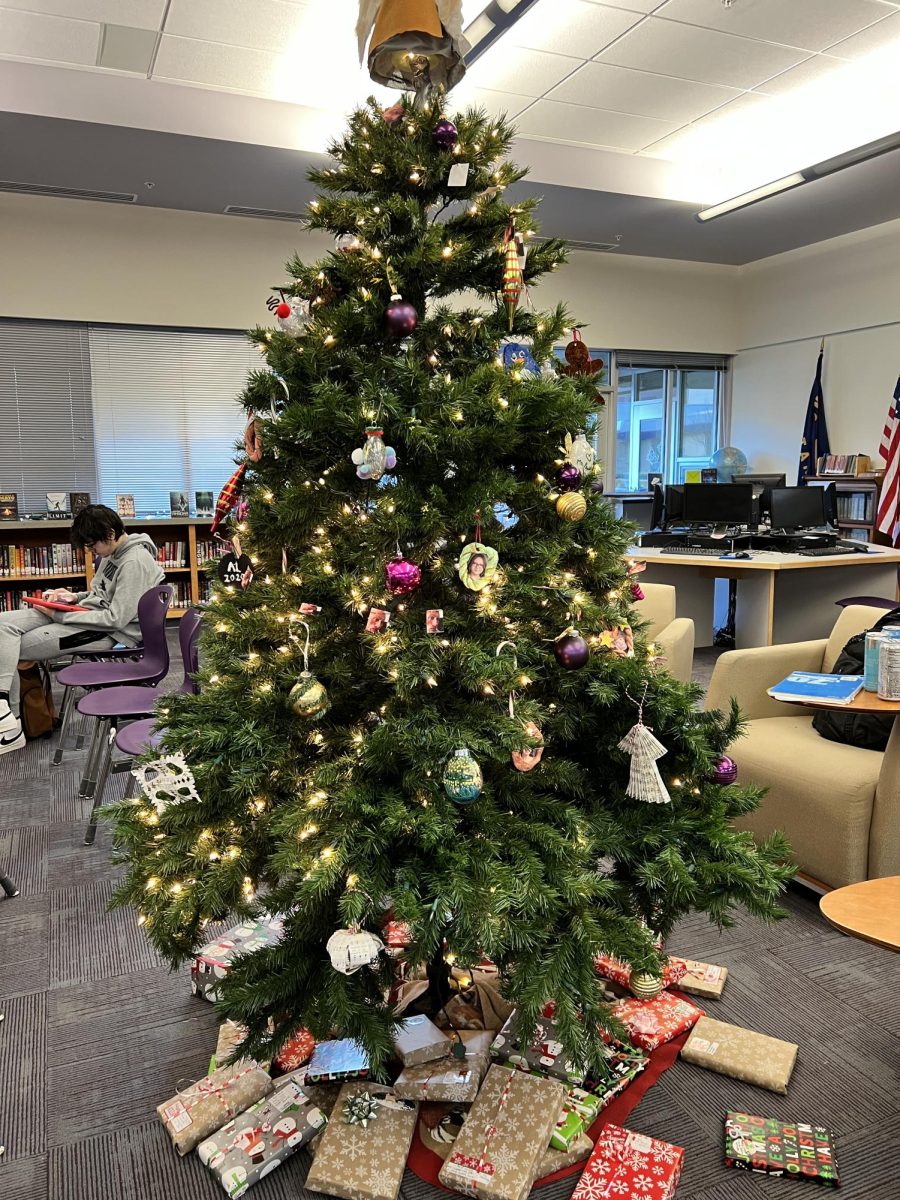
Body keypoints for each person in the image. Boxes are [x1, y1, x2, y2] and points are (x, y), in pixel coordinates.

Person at [0, 504, 165, 756]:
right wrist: (73, 598)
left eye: (92, 545)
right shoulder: (113, 553)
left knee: (13, 648)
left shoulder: (134, 562)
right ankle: (4, 711)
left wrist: (58, 615)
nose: (91, 551)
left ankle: (9, 728)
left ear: (110, 533)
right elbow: (100, 593)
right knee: (3, 624)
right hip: (82, 615)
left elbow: (115, 619)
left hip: (105, 632)